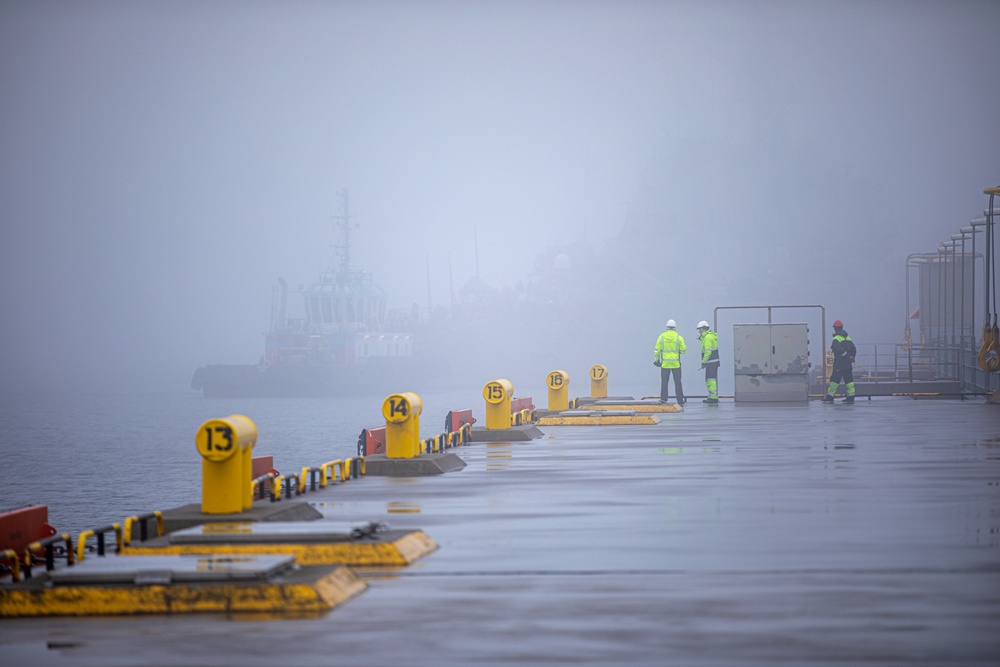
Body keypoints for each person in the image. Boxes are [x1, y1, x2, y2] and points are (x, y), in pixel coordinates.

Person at [823, 319, 857, 404]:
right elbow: (854, 349)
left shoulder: (836, 338)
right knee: (849, 381)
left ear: (835, 328)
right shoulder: (848, 338)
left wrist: (844, 355)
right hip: (848, 364)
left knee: (834, 380)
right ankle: (851, 397)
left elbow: (837, 349)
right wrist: (851, 357)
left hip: (839, 363)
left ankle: (830, 396)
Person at [654, 319, 686, 404]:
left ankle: (664, 398)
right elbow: (683, 350)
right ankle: (680, 400)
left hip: (665, 364)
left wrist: (657, 360)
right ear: (674, 327)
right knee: (678, 382)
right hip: (676, 364)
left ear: (667, 327)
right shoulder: (679, 337)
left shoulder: (661, 337)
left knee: (664, 382)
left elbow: (657, 350)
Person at [696, 321, 720, 404]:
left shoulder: (707, 338)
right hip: (713, 362)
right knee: (711, 379)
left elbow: (708, 352)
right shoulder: (709, 337)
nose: (699, 331)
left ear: (703, 329)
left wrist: (703, 362)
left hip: (711, 362)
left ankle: (713, 397)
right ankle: (712, 396)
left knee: (710, 379)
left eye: (699, 329)